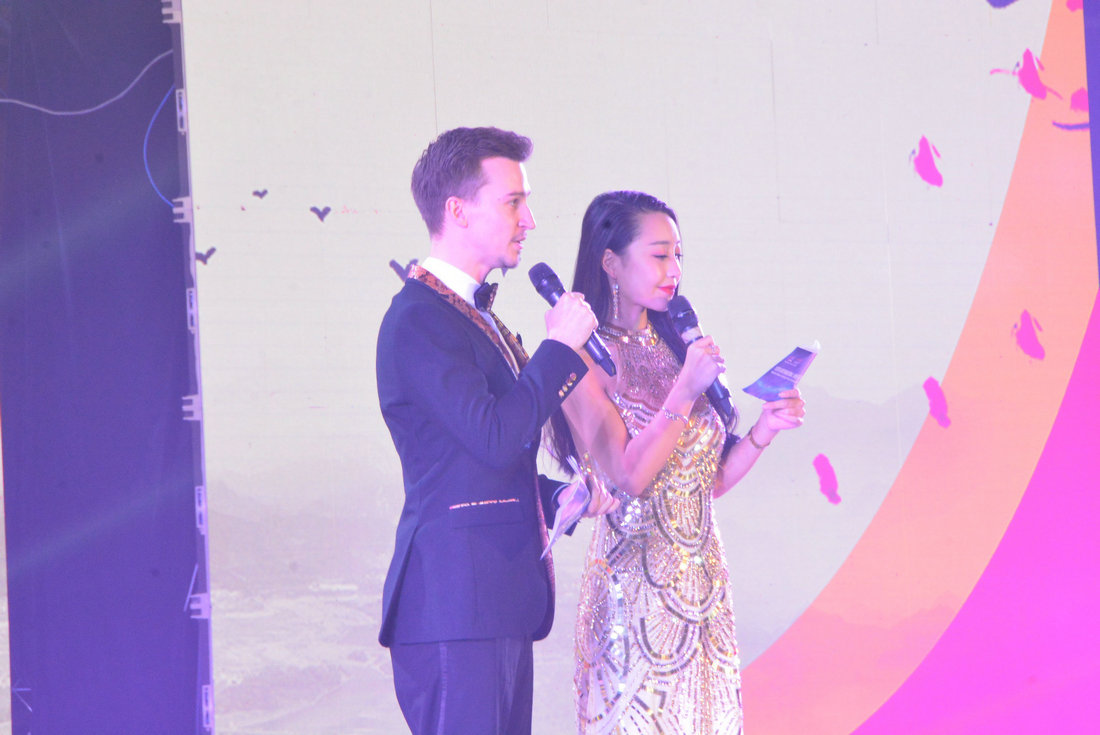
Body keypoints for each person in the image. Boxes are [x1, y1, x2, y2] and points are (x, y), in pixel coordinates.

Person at [375, 127, 616, 735]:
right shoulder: (418, 320)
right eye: (513, 202)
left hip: (494, 602)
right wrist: (559, 347)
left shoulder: (473, 315)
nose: (529, 220)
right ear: (457, 211)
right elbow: (494, 437)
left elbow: (475, 464)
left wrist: (560, 497)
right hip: (454, 605)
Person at [547, 190, 806, 734]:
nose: (675, 271)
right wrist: (685, 390)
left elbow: (704, 482)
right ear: (610, 262)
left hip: (703, 592)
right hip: (632, 599)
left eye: (680, 255)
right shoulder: (580, 356)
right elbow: (629, 476)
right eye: (660, 255)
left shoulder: (675, 344)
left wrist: (762, 431)